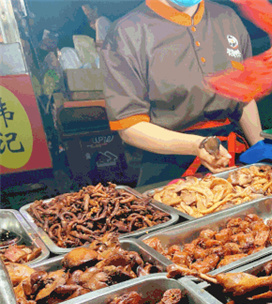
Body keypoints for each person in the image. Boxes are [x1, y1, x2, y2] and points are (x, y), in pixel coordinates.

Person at [99, 0, 263, 187]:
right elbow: (130, 126)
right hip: (167, 166)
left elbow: (245, 97)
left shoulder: (227, 18)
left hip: (232, 160)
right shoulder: (127, 33)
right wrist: (197, 145)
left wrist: (261, 150)